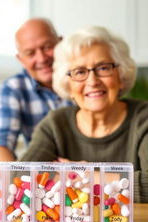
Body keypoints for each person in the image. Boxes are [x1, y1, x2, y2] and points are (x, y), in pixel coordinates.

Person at [19, 26, 148, 203]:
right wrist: (117, 182)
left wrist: (84, 175)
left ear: (121, 75)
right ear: (68, 85)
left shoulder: (144, 119)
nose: (92, 81)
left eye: (103, 68)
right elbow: (20, 176)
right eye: (80, 72)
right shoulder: (56, 123)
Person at [0, 18, 71, 161]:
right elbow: (1, 143)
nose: (41, 58)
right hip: (43, 178)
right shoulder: (13, 88)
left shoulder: (84, 77)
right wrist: (15, 179)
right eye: (30, 53)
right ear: (20, 59)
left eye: (46, 47)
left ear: (61, 43)